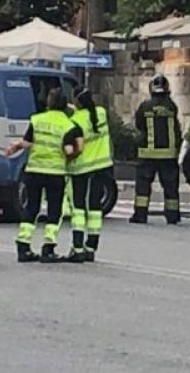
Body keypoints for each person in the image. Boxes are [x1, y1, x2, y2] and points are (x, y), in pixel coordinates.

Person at [5, 89, 81, 263]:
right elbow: (69, 151)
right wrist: (76, 153)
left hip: (34, 171)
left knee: (32, 207)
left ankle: (23, 246)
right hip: (55, 173)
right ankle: (48, 247)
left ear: (48, 103)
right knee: (54, 210)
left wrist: (14, 148)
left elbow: (26, 142)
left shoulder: (37, 120)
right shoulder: (68, 125)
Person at [66, 88, 113, 263]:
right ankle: (91, 247)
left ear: (77, 102)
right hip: (102, 166)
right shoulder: (101, 113)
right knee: (95, 209)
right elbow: (90, 114)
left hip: (82, 169)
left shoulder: (75, 120)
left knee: (78, 208)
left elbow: (74, 146)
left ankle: (77, 247)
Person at [130, 74, 182, 224]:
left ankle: (140, 214)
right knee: (171, 187)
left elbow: (139, 125)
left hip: (147, 154)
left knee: (143, 187)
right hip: (168, 155)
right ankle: (172, 216)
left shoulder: (145, 106)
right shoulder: (172, 106)